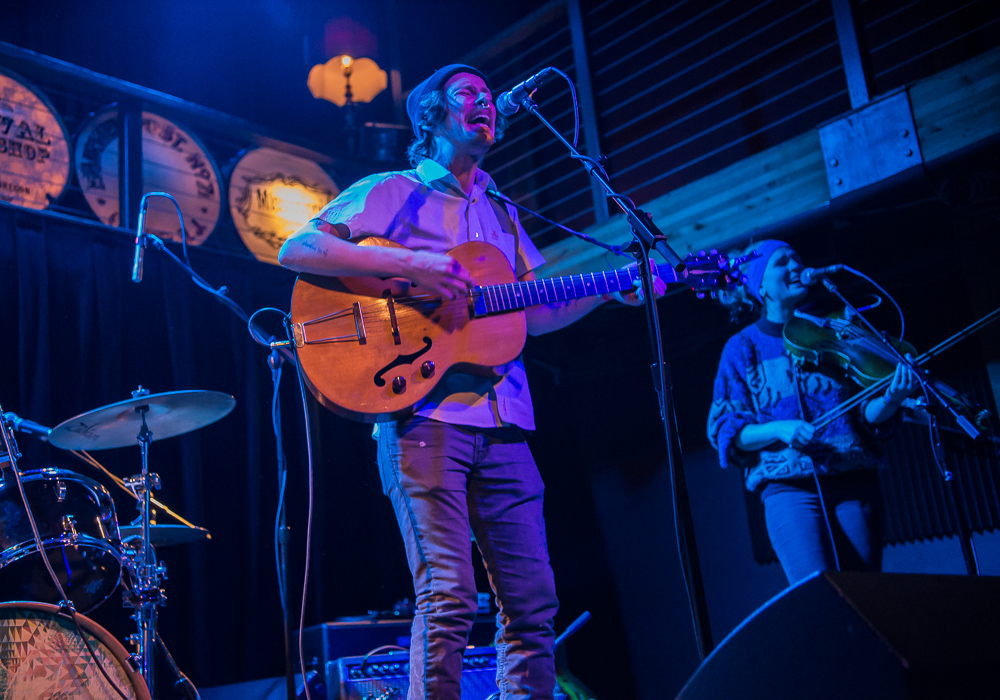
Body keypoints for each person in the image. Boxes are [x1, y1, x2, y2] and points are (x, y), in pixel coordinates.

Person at [279, 64, 664, 700]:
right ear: (431, 113)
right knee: (450, 594)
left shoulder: (502, 210)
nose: (485, 103)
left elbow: (533, 314)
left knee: (533, 605)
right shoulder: (390, 191)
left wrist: (609, 288)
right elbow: (298, 247)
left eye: (490, 97)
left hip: (505, 423)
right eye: (469, 94)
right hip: (424, 418)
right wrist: (409, 263)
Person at [707, 239, 919, 586]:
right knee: (822, 595)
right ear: (759, 285)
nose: (795, 266)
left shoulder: (834, 332)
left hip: (853, 480)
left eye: (797, 258)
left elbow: (866, 415)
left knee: (867, 597)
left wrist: (892, 398)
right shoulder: (742, 347)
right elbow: (730, 431)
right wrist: (779, 430)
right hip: (789, 489)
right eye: (781, 262)